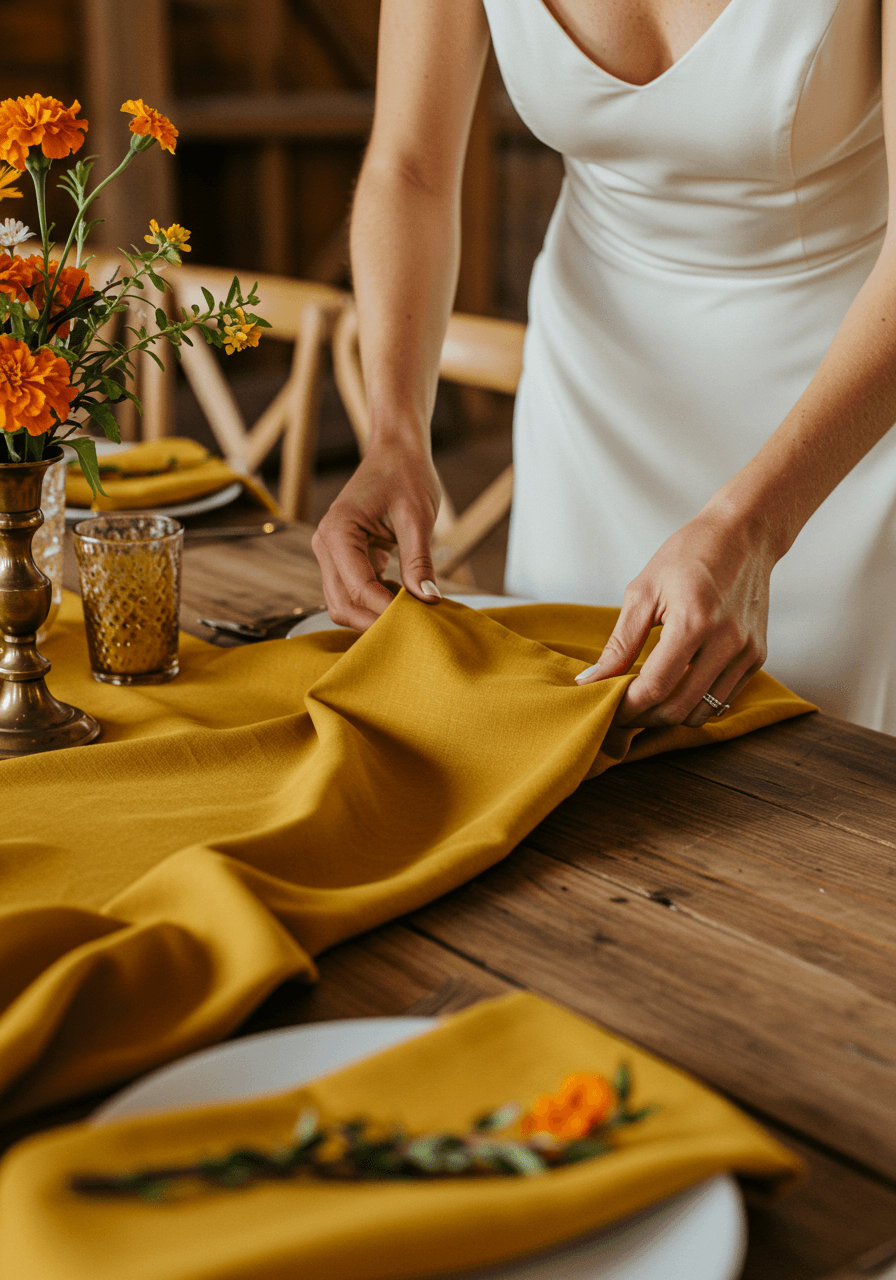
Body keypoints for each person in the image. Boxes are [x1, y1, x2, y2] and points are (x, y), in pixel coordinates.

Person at [312, 0, 896, 736]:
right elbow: (411, 169)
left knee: (835, 797)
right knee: (574, 768)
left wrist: (756, 524)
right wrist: (395, 432)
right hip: (594, 396)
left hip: (847, 411)